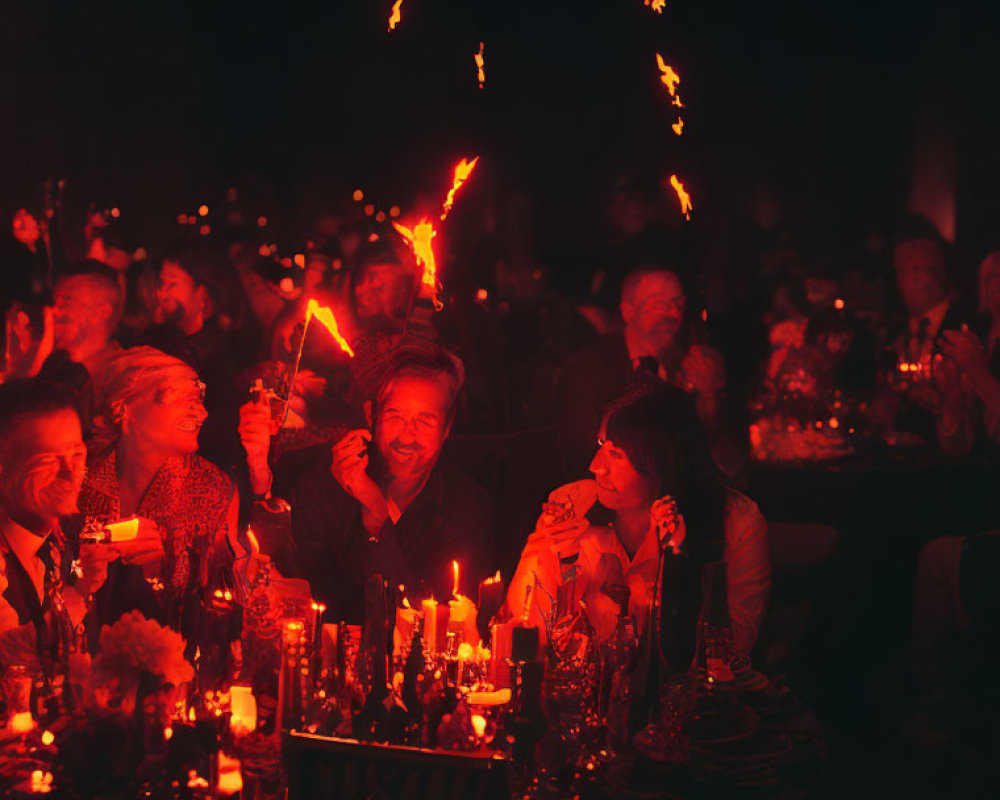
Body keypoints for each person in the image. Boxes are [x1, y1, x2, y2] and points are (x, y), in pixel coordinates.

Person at [508, 382, 769, 661]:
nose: (595, 465)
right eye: (600, 446)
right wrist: (548, 546)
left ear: (664, 463)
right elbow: (523, 622)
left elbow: (730, 651)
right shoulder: (574, 507)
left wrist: (675, 568)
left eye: (616, 454)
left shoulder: (735, 523)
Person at [288, 344, 494, 622]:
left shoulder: (466, 508)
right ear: (372, 415)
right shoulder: (323, 489)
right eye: (395, 415)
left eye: (425, 420)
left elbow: (439, 629)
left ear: (447, 427)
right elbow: (307, 605)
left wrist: (377, 519)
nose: (408, 435)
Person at [76, 347, 239, 640]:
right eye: (179, 398)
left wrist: (156, 574)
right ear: (123, 407)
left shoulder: (212, 488)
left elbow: (220, 604)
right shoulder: (78, 479)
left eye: (199, 398)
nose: (202, 412)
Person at [556, 265, 729, 478]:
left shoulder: (687, 362)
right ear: (628, 311)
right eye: (659, 303)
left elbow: (708, 447)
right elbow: (581, 451)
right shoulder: (588, 367)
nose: (672, 313)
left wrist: (709, 395)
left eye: (678, 303)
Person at [0, 381, 113, 676]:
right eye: (49, 460)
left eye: (77, 455)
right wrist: (79, 592)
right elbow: (12, 659)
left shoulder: (75, 534)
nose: (70, 472)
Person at [138, 246, 244, 470]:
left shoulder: (216, 358)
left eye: (173, 284)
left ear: (202, 294)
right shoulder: (154, 342)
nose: (161, 293)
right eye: (160, 283)